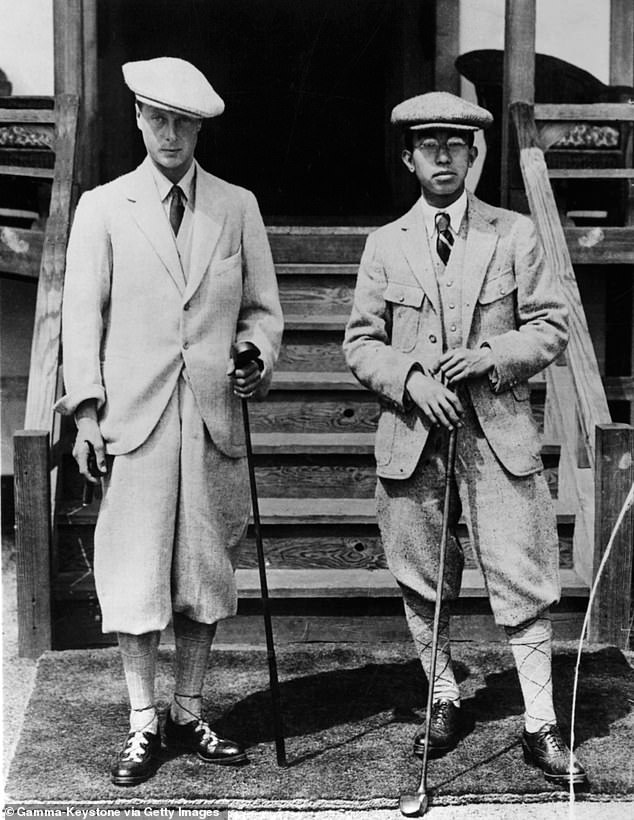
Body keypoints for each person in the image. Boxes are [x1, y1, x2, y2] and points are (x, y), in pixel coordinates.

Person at [343, 91, 586, 786]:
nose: (442, 156)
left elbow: (549, 326)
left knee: (522, 571)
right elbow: (360, 342)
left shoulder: (513, 235)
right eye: (428, 146)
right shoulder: (383, 245)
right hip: (412, 439)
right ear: (409, 159)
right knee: (420, 572)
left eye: (456, 144)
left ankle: (540, 724)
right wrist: (410, 379)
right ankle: (442, 696)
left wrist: (488, 355)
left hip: (499, 437)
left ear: (474, 154)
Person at [55, 57, 283, 786]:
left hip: (210, 418)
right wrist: (86, 412)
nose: (171, 133)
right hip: (136, 417)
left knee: (204, 570)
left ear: (200, 127)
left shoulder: (235, 207)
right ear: (137, 119)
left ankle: (188, 707)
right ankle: (142, 720)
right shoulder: (103, 207)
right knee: (133, 570)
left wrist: (253, 350)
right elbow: (80, 319)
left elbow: (262, 311)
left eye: (184, 121)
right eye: (158, 117)